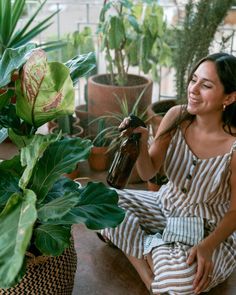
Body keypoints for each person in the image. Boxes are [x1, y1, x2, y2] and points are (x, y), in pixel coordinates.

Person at [99, 52, 236, 295]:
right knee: (100, 203)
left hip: (207, 229)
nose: (193, 89)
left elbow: (235, 211)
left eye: (205, 85)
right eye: (193, 80)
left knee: (184, 281)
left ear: (229, 97)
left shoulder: (233, 146)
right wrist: (141, 142)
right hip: (163, 205)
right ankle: (151, 275)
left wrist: (206, 247)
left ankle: (144, 244)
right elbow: (149, 172)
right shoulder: (176, 117)